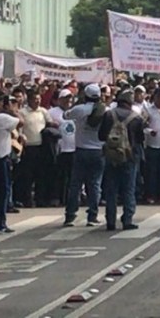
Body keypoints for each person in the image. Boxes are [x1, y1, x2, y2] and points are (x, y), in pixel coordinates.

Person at [98, 90, 145, 231]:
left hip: (111, 155)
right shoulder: (136, 118)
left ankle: (110, 221)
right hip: (129, 156)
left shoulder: (108, 114)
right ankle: (127, 219)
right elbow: (140, 139)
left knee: (111, 189)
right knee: (129, 188)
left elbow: (101, 136)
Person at [63, 84, 108, 227]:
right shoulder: (105, 110)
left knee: (75, 184)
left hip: (81, 149)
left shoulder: (79, 109)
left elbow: (66, 115)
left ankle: (70, 216)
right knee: (95, 184)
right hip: (98, 150)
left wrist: (78, 102)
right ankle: (92, 216)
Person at [0, 94, 23, 234]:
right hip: (0, 159)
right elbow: (21, 122)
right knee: (3, 191)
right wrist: (12, 111)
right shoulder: (0, 118)